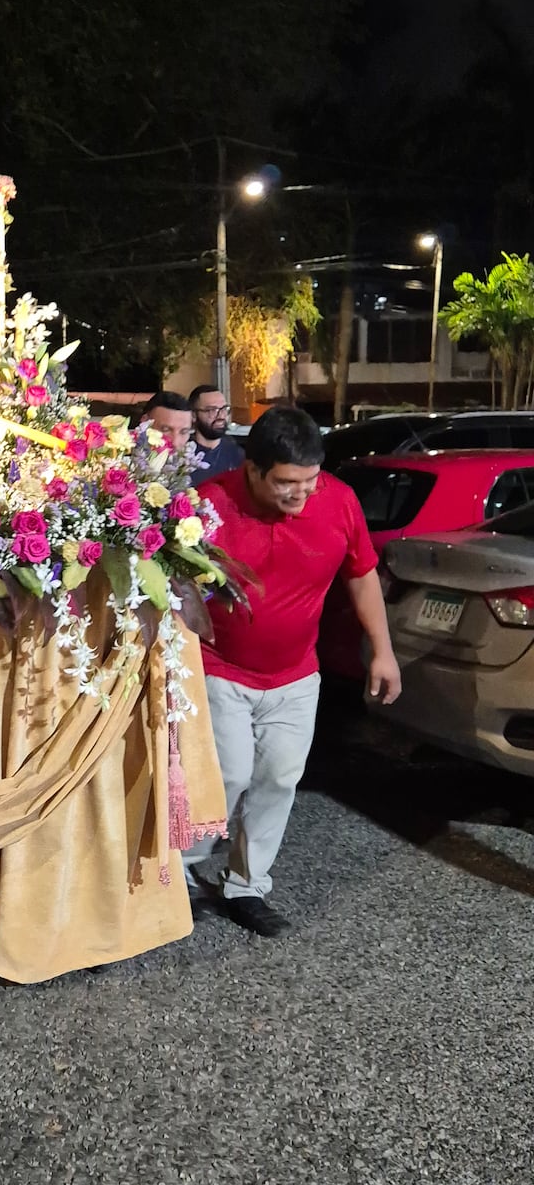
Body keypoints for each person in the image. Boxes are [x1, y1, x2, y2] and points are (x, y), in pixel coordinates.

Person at [186, 407, 400, 937]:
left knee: (278, 778)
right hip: (220, 667)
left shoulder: (338, 500)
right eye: (286, 483)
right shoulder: (208, 505)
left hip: (297, 674)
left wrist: (383, 649)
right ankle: (182, 871)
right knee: (228, 775)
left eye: (309, 480)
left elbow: (363, 574)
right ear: (252, 469)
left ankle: (246, 885)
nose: (301, 494)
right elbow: (176, 587)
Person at [188, 384, 244, 483]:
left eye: (224, 409)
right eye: (212, 410)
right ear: (193, 415)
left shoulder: (237, 454)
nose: (221, 416)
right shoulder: (183, 455)